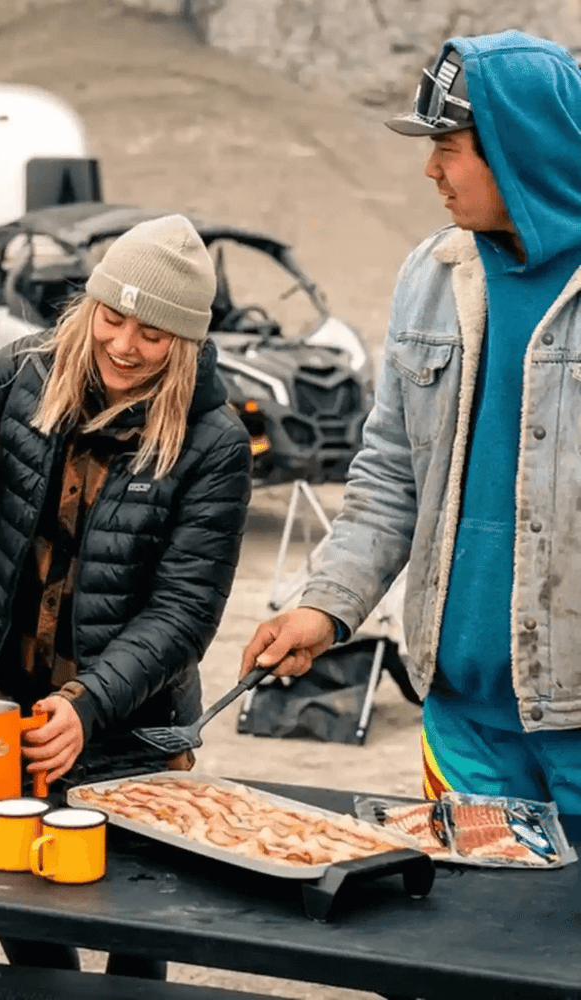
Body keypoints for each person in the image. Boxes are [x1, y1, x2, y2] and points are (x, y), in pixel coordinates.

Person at [0, 214, 251, 978]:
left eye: (154, 334)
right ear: (91, 305)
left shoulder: (214, 441)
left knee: (135, 923)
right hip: (0, 702)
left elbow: (184, 613)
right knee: (14, 888)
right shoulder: (28, 369)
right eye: (113, 317)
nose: (124, 345)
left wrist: (89, 704)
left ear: (187, 342)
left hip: (131, 724)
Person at [240, 32, 581, 830]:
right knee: (472, 948)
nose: (431, 170)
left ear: (517, 148)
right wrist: (327, 606)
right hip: (462, 722)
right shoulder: (431, 278)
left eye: (450, 147)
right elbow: (391, 472)